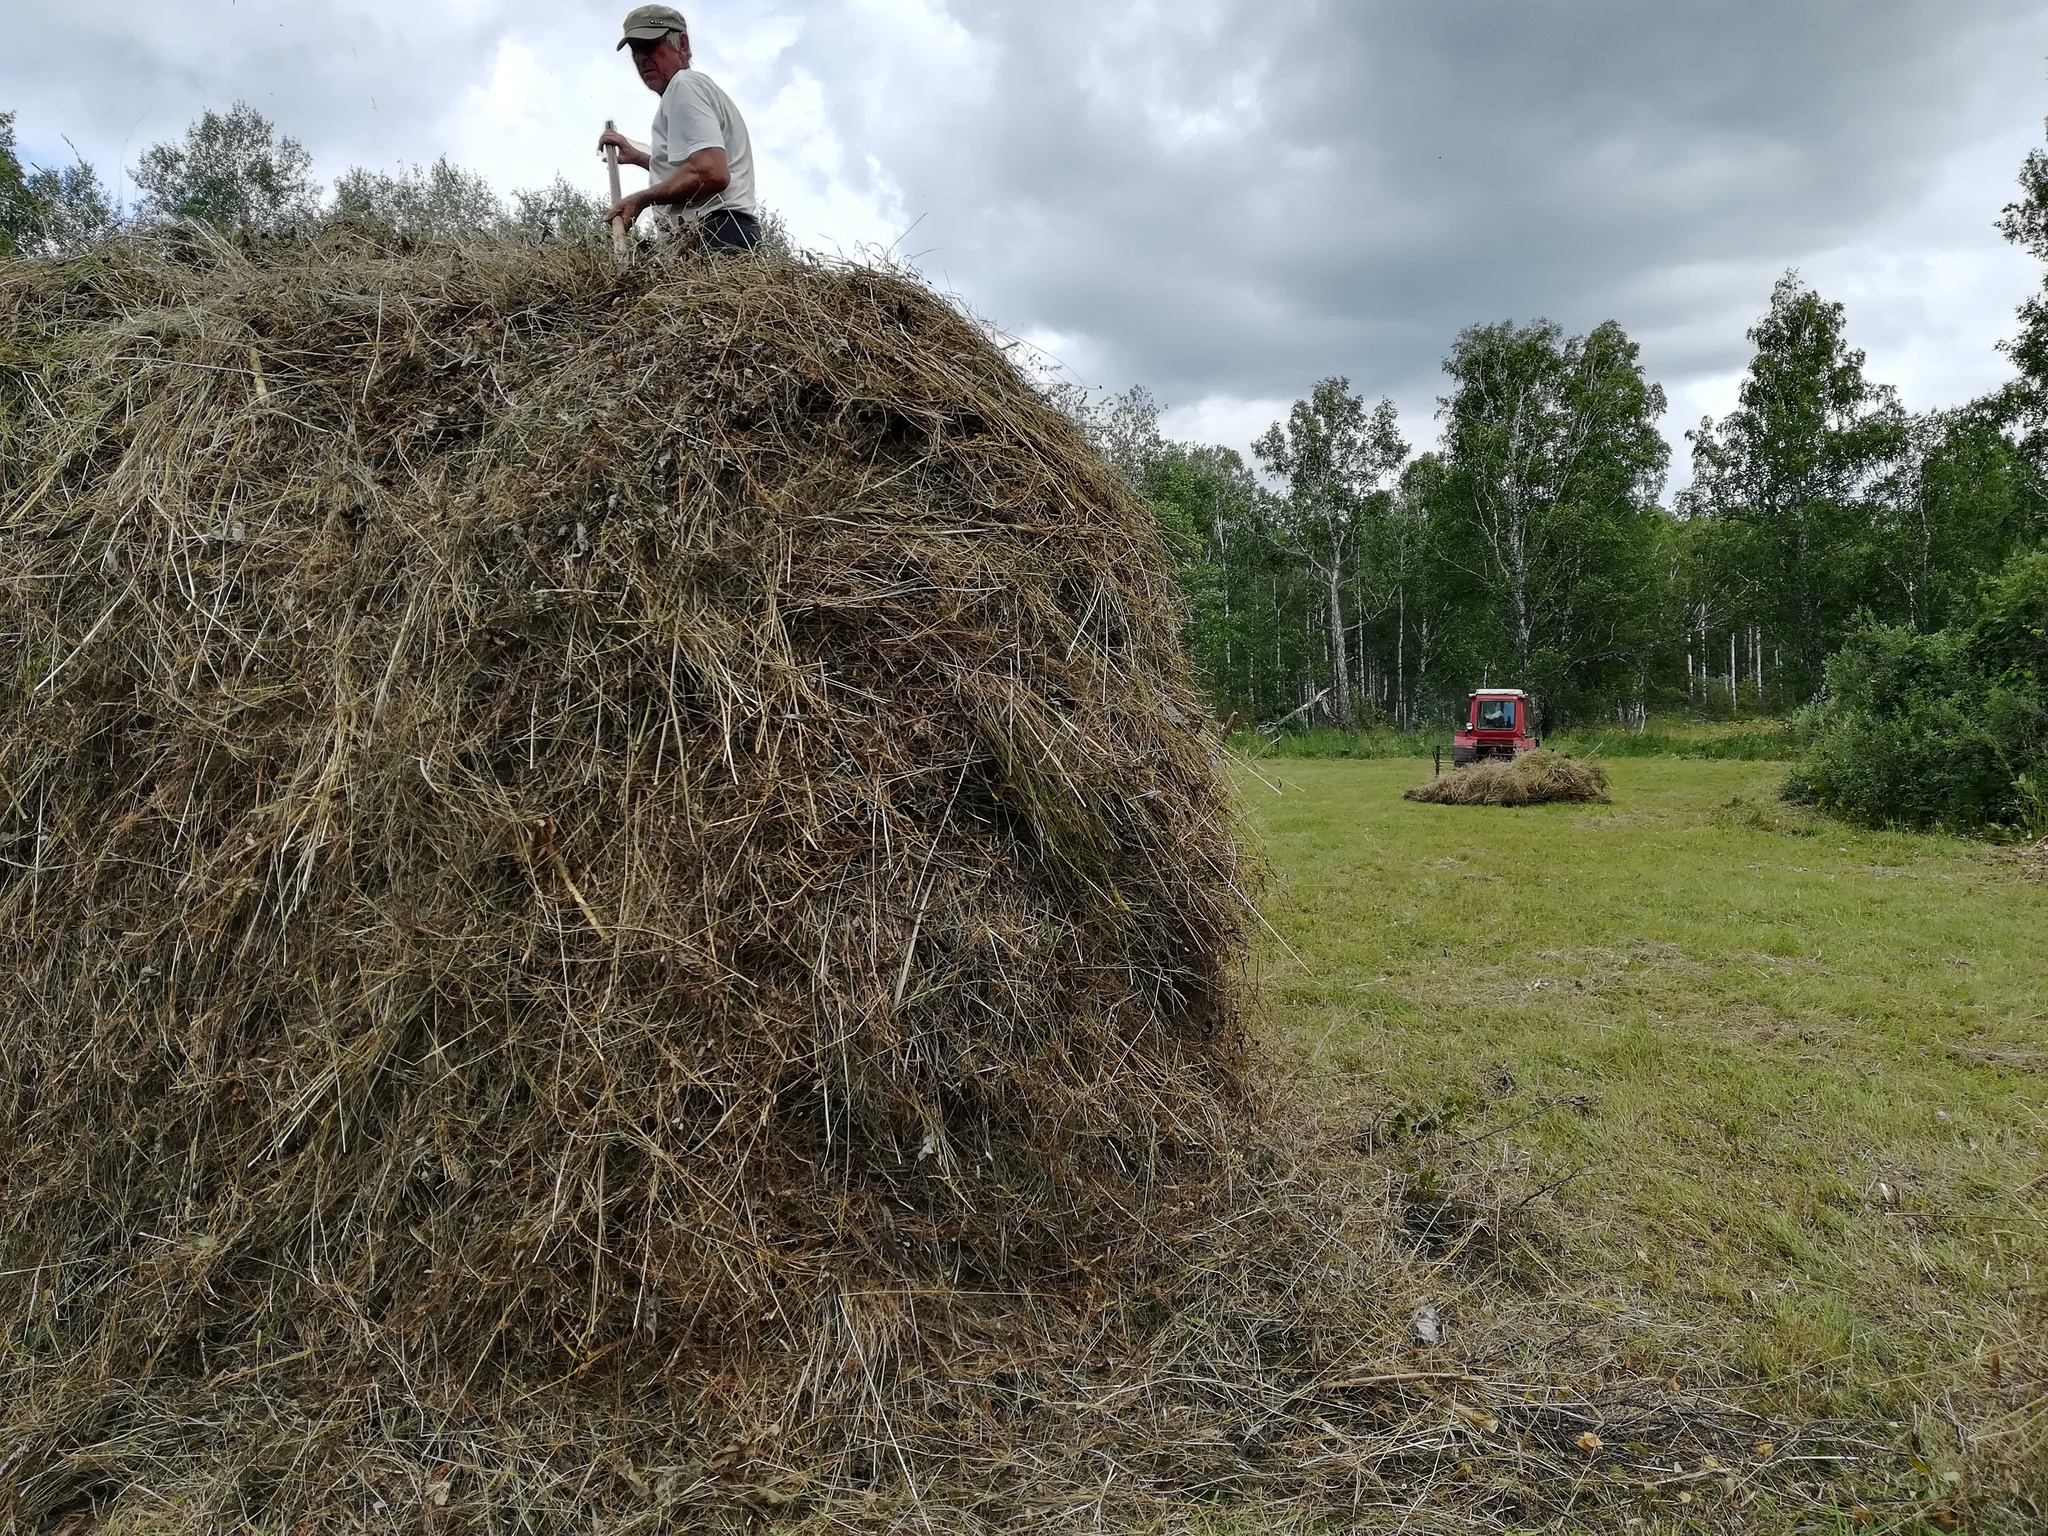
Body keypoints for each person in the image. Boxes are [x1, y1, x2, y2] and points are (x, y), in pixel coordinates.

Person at [597, 6, 761, 252]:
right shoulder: (695, 90)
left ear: (681, 45)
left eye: (650, 46)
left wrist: (642, 198)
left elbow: (710, 173)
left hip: (713, 236)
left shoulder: (683, 86)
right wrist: (643, 159)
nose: (642, 58)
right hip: (724, 234)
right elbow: (695, 166)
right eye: (635, 51)